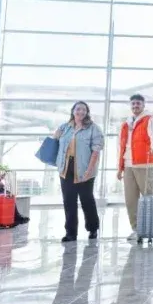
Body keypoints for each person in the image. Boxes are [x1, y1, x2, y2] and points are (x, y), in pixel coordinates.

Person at [52, 101, 103, 243]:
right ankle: (70, 233)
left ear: (87, 112)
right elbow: (55, 142)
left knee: (87, 199)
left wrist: (89, 170)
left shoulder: (93, 128)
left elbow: (96, 151)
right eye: (78, 109)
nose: (81, 112)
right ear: (73, 111)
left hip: (85, 168)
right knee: (69, 201)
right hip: (66, 168)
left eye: (84, 110)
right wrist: (55, 134)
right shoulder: (65, 127)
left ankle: (93, 228)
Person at [117, 93, 153, 241]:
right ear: (130, 106)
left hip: (145, 162)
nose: (135, 106)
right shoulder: (126, 123)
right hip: (128, 164)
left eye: (138, 104)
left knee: (149, 196)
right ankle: (136, 229)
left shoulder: (149, 119)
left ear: (143, 105)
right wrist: (120, 167)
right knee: (131, 199)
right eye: (133, 104)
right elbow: (121, 145)